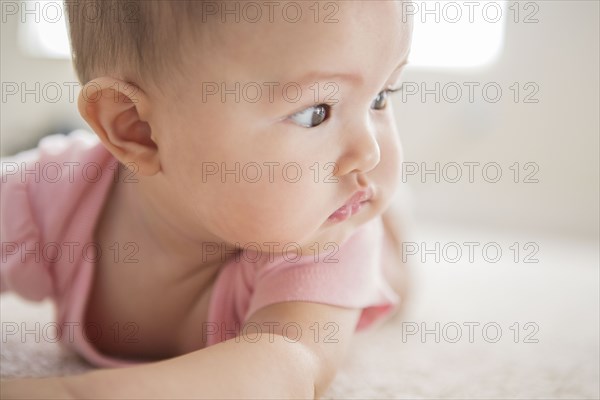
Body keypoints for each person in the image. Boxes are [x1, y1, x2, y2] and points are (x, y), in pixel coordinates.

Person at [1, 1, 413, 398]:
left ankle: (394, 225)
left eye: (381, 96)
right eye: (315, 112)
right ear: (138, 130)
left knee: (392, 261)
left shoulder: (329, 234)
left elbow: (287, 371)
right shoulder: (54, 190)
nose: (371, 151)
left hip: (365, 226)